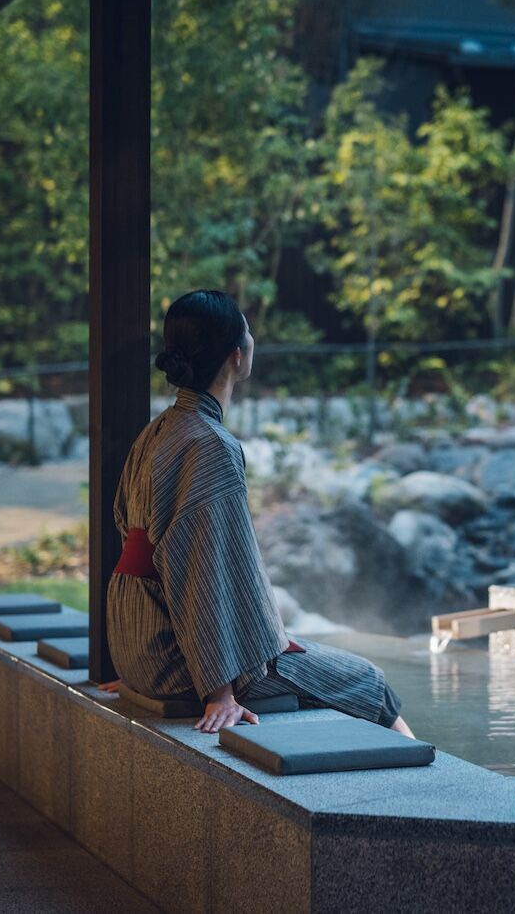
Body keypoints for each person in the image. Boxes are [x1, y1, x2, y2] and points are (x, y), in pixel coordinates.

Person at [104, 289, 416, 738]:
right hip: (179, 660)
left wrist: (137, 653)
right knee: (370, 682)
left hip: (140, 641)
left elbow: (131, 536)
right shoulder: (210, 445)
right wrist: (220, 692)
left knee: (313, 657)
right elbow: (204, 571)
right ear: (236, 354)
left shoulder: (158, 430)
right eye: (248, 331)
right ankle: (416, 797)